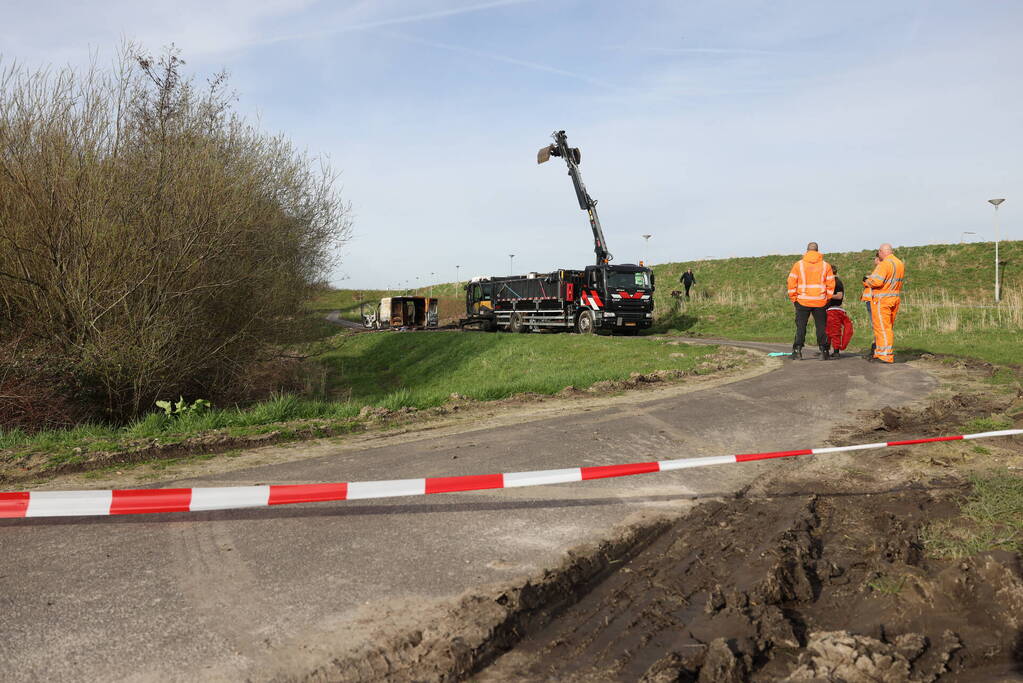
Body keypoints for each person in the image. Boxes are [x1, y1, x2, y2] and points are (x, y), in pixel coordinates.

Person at [787, 242, 835, 360]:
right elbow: (831, 284)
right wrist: (827, 299)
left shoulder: (798, 265)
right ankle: (824, 351)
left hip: (802, 301)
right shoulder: (826, 266)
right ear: (818, 251)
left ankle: (797, 351)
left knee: (801, 326)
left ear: (807, 251)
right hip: (820, 301)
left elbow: (791, 282)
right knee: (821, 327)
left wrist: (794, 298)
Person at [863, 243, 905, 363]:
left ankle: (885, 355)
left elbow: (876, 282)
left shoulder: (884, 264)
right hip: (894, 298)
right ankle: (880, 353)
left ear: (881, 252)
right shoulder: (899, 263)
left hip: (882, 300)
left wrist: (866, 281)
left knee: (882, 328)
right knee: (887, 328)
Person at [824, 265, 853, 358]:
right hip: (830, 309)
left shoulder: (837, 282)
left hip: (834, 310)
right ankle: (827, 350)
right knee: (828, 331)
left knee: (833, 331)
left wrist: (827, 295)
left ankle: (836, 351)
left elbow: (839, 296)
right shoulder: (831, 282)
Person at [861, 253, 880, 359]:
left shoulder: (880, 269)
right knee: (876, 326)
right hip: (871, 300)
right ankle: (876, 348)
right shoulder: (878, 269)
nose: (874, 261)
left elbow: (871, 282)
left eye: (875, 259)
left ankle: (876, 349)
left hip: (873, 300)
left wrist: (866, 280)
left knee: (876, 326)